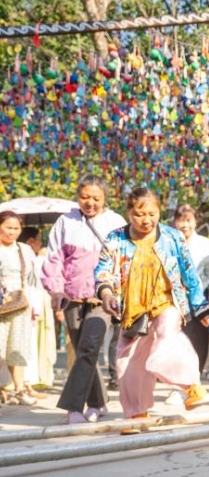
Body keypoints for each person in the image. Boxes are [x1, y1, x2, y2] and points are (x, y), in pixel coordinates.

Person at [95, 188, 209, 422]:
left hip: (166, 302)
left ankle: (190, 385)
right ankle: (136, 413)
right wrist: (106, 292)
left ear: (159, 211)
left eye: (152, 213)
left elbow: (189, 273)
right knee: (127, 360)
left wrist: (201, 307)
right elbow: (103, 270)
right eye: (139, 214)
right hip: (132, 309)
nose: (146, 220)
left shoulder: (172, 237)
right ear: (129, 212)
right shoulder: (115, 238)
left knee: (167, 335)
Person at [41, 176, 126, 423]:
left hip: (104, 298)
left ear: (105, 199)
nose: (90, 203)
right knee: (83, 353)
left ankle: (73, 407)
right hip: (72, 298)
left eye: (96, 198)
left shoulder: (115, 222)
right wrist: (56, 290)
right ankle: (98, 403)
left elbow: (125, 261)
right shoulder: (65, 222)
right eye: (85, 197)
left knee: (89, 347)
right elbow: (54, 259)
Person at [173, 205, 209, 375]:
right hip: (176, 299)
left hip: (201, 299)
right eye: (181, 220)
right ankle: (179, 381)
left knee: (199, 339)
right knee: (178, 338)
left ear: (195, 221)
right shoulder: (170, 242)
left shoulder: (205, 244)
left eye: (188, 220)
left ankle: (195, 378)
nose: (184, 225)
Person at [0, 211, 38, 405]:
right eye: (8, 227)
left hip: (20, 303)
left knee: (18, 348)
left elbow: (32, 278)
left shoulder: (24, 249)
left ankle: (19, 389)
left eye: (16, 228)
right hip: (1, 303)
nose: (12, 232)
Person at [20, 227, 55, 392]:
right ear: (30, 242)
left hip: (36, 304)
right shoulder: (26, 256)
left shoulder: (32, 257)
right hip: (25, 304)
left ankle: (27, 383)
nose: (41, 243)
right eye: (39, 240)